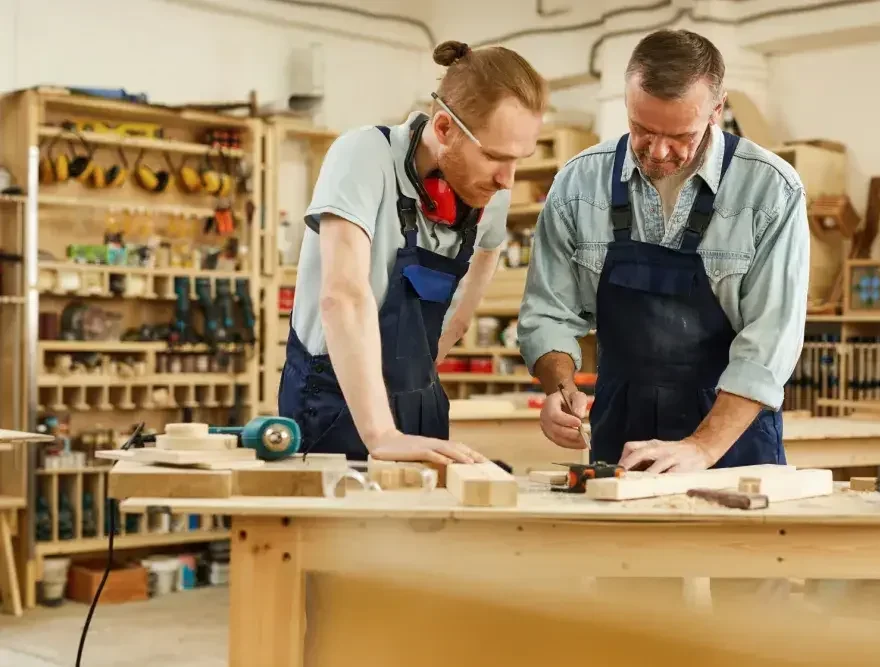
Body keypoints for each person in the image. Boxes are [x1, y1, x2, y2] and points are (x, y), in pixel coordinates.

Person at [518, 29, 809, 474]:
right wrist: (560, 388)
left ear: (717, 110)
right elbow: (548, 312)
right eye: (641, 129)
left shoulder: (771, 190)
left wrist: (702, 448)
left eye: (678, 135)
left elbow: (770, 343)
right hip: (620, 431)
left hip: (730, 438)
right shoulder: (578, 184)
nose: (657, 151)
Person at [279, 40, 548, 465]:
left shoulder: (486, 191)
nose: (507, 180)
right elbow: (343, 297)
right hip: (336, 406)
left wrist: (442, 344)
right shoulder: (362, 156)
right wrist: (382, 433)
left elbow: (486, 255)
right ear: (443, 129)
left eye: (519, 160)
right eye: (495, 156)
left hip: (422, 403)